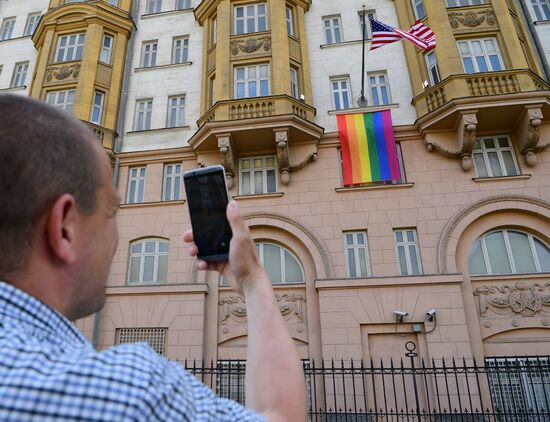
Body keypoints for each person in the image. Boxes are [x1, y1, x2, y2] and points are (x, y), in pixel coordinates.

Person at [0, 94, 307, 421]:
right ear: (65, 229)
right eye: (111, 211)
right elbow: (281, 416)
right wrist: (253, 279)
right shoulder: (126, 393)